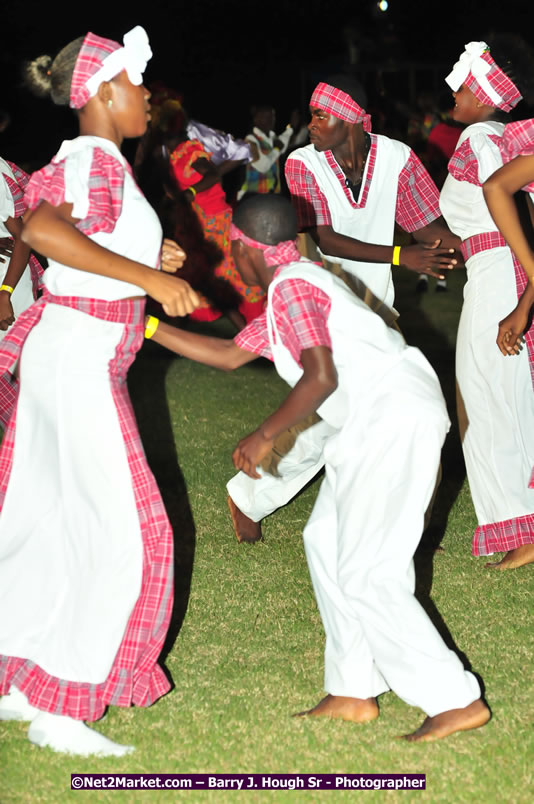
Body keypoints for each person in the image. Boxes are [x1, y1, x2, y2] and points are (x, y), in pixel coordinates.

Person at [146, 193, 490, 741]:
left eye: (229, 247)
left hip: (390, 416)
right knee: (325, 538)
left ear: (241, 246)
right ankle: (353, 688)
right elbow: (231, 355)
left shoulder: (294, 288)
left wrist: (264, 436)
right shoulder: (298, 280)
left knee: (368, 571)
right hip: (372, 420)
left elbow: (320, 376)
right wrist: (145, 327)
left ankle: (453, 699)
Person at [0, 26, 199, 757]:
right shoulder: (92, 160)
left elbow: (85, 241)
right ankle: (66, 703)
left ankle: (23, 682)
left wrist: (153, 254)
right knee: (126, 532)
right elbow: (46, 233)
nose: (149, 95)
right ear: (105, 91)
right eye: (139, 84)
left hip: (71, 356)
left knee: (48, 519)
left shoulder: (99, 165)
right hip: (79, 358)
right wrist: (151, 278)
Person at [226, 77, 461, 543]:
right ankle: (251, 493)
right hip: (321, 307)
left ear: (351, 118)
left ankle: (386, 511)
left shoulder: (398, 158)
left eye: (320, 114)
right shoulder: (301, 163)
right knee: (329, 415)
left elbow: (427, 226)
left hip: (378, 312)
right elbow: (324, 236)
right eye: (311, 113)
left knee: (355, 416)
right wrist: (399, 256)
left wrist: (488, 248)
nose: (310, 123)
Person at [439, 38, 534, 570]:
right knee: (492, 397)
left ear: (485, 95)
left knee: (492, 400)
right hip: (492, 270)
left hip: (498, 274)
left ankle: (524, 525)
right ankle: (514, 524)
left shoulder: (481, 136)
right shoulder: (489, 137)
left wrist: (522, 294)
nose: (455, 92)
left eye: (466, 85)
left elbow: (507, 203)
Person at [165, 104, 265, 326]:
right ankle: (248, 337)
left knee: (231, 278)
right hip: (197, 225)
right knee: (211, 280)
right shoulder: (169, 157)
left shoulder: (189, 150)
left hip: (216, 223)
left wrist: (190, 192)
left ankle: (255, 334)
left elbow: (212, 176)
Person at [237, 104, 298, 198]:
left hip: (272, 195)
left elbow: (283, 142)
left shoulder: (271, 137)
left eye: (272, 116)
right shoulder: (250, 140)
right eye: (266, 117)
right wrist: (276, 149)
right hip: (254, 196)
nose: (271, 120)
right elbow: (262, 166)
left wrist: (291, 128)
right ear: (256, 119)